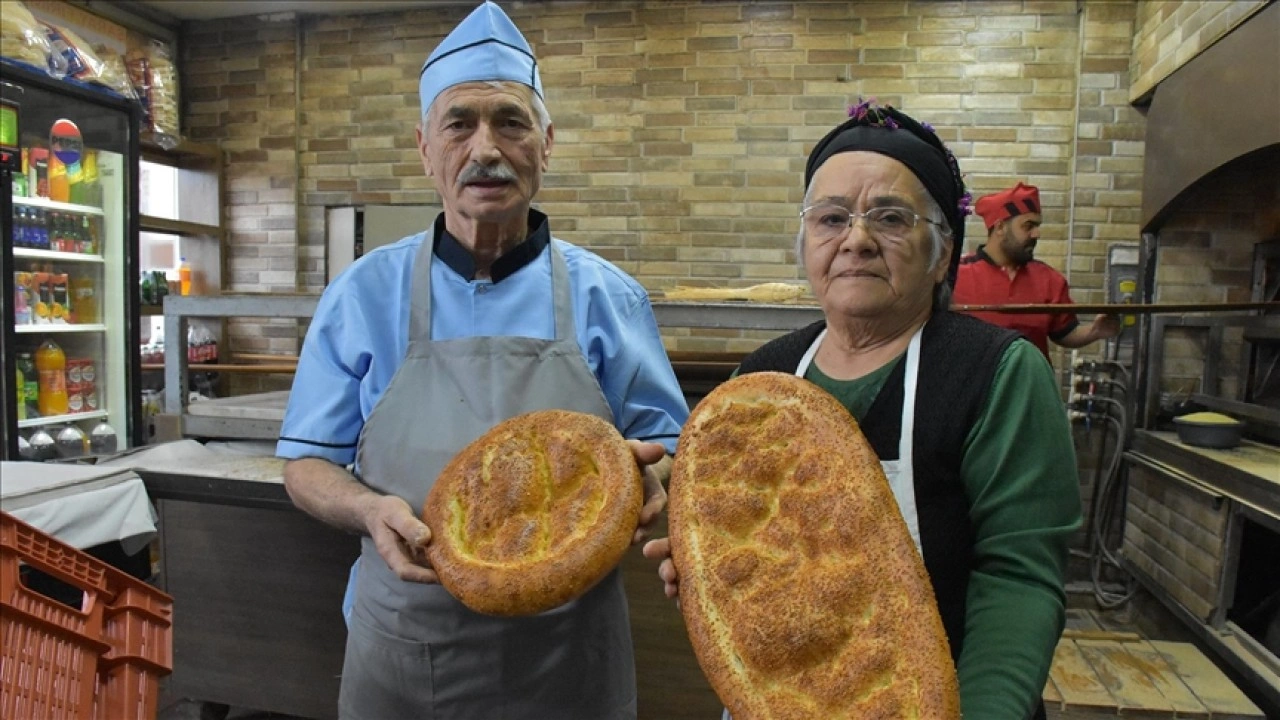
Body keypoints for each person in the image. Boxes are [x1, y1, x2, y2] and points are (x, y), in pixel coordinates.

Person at [276, 3, 688, 717]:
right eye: (459, 124)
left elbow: (672, 447)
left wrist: (653, 474)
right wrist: (368, 509)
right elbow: (306, 464)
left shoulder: (608, 297)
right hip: (406, 648)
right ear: (424, 147)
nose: (486, 149)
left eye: (511, 123)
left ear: (546, 144)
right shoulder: (363, 294)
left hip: (567, 660)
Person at [643, 101, 1082, 720]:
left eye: (891, 218)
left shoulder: (996, 373)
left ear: (942, 252)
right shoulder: (762, 382)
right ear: (805, 244)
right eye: (831, 218)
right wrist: (712, 570)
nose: (856, 240)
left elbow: (1019, 580)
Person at [952, 182, 1120, 360]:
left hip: (1030, 377)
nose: (1036, 234)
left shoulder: (1049, 279)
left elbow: (1065, 332)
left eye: (1037, 226)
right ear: (1000, 227)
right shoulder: (956, 274)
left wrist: (1095, 331)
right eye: (1028, 226)